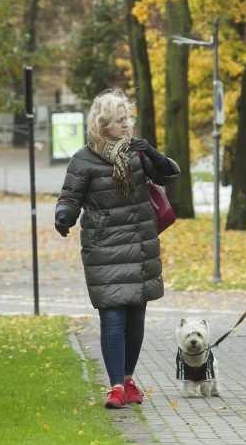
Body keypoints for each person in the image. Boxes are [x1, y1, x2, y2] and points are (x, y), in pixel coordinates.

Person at [54, 89, 180, 409]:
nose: (126, 125)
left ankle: (127, 379)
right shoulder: (83, 159)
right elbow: (70, 197)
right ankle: (114, 388)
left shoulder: (137, 153)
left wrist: (150, 151)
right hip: (105, 251)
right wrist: (63, 218)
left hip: (139, 247)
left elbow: (169, 173)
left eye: (128, 119)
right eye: (118, 120)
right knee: (112, 320)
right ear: (102, 124)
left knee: (135, 320)